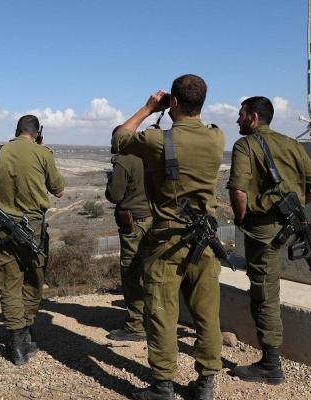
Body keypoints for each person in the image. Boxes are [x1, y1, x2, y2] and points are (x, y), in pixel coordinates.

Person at [112, 74, 225, 400]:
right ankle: (205, 385)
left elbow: (119, 138)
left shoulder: (158, 140)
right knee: (207, 314)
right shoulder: (217, 137)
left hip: (167, 242)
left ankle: (163, 386)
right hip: (205, 241)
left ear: (173, 102)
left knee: (161, 312)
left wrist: (149, 107)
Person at [227, 96, 311, 384]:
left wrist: (242, 218)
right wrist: (295, 207)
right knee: (266, 287)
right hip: (290, 226)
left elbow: (238, 190)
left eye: (241, 114)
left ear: (254, 118)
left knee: (264, 293)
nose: (237, 120)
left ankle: (271, 365)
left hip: (264, 231)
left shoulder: (245, 145)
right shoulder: (292, 144)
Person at [0, 115, 65, 366]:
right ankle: (25, 332)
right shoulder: (43, 154)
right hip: (34, 229)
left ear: (17, 131)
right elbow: (59, 190)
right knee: (33, 281)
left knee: (9, 284)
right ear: (36, 134)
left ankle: (18, 342)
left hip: (3, 229)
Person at [105, 126, 152, 342]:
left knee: (132, 272)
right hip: (155, 220)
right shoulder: (150, 154)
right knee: (151, 272)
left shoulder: (124, 160)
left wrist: (110, 181)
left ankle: (136, 325)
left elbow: (115, 195)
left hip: (134, 224)